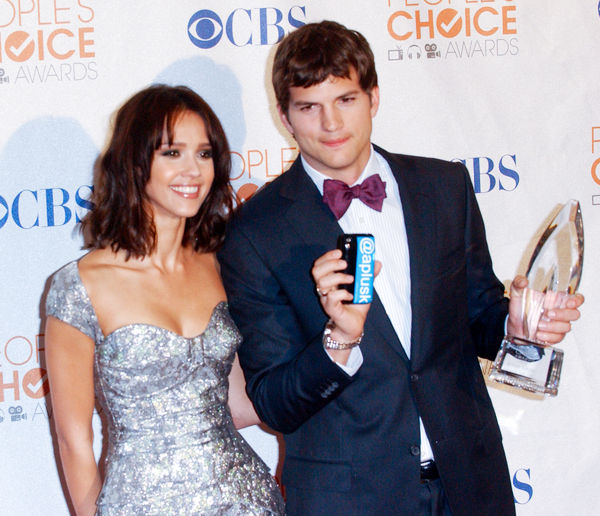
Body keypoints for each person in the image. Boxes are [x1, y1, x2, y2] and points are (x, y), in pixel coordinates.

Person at [217, 21, 584, 516]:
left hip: (470, 485)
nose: (330, 124)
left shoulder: (443, 187)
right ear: (284, 116)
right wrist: (339, 339)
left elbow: (478, 316)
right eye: (309, 107)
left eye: (345, 99)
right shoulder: (255, 233)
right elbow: (273, 403)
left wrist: (516, 330)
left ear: (373, 97)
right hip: (349, 500)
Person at [45, 85, 284, 516]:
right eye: (172, 153)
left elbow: (242, 405)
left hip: (245, 500)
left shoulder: (224, 265)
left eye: (205, 154)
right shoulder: (79, 286)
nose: (192, 170)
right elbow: (73, 439)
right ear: (136, 163)